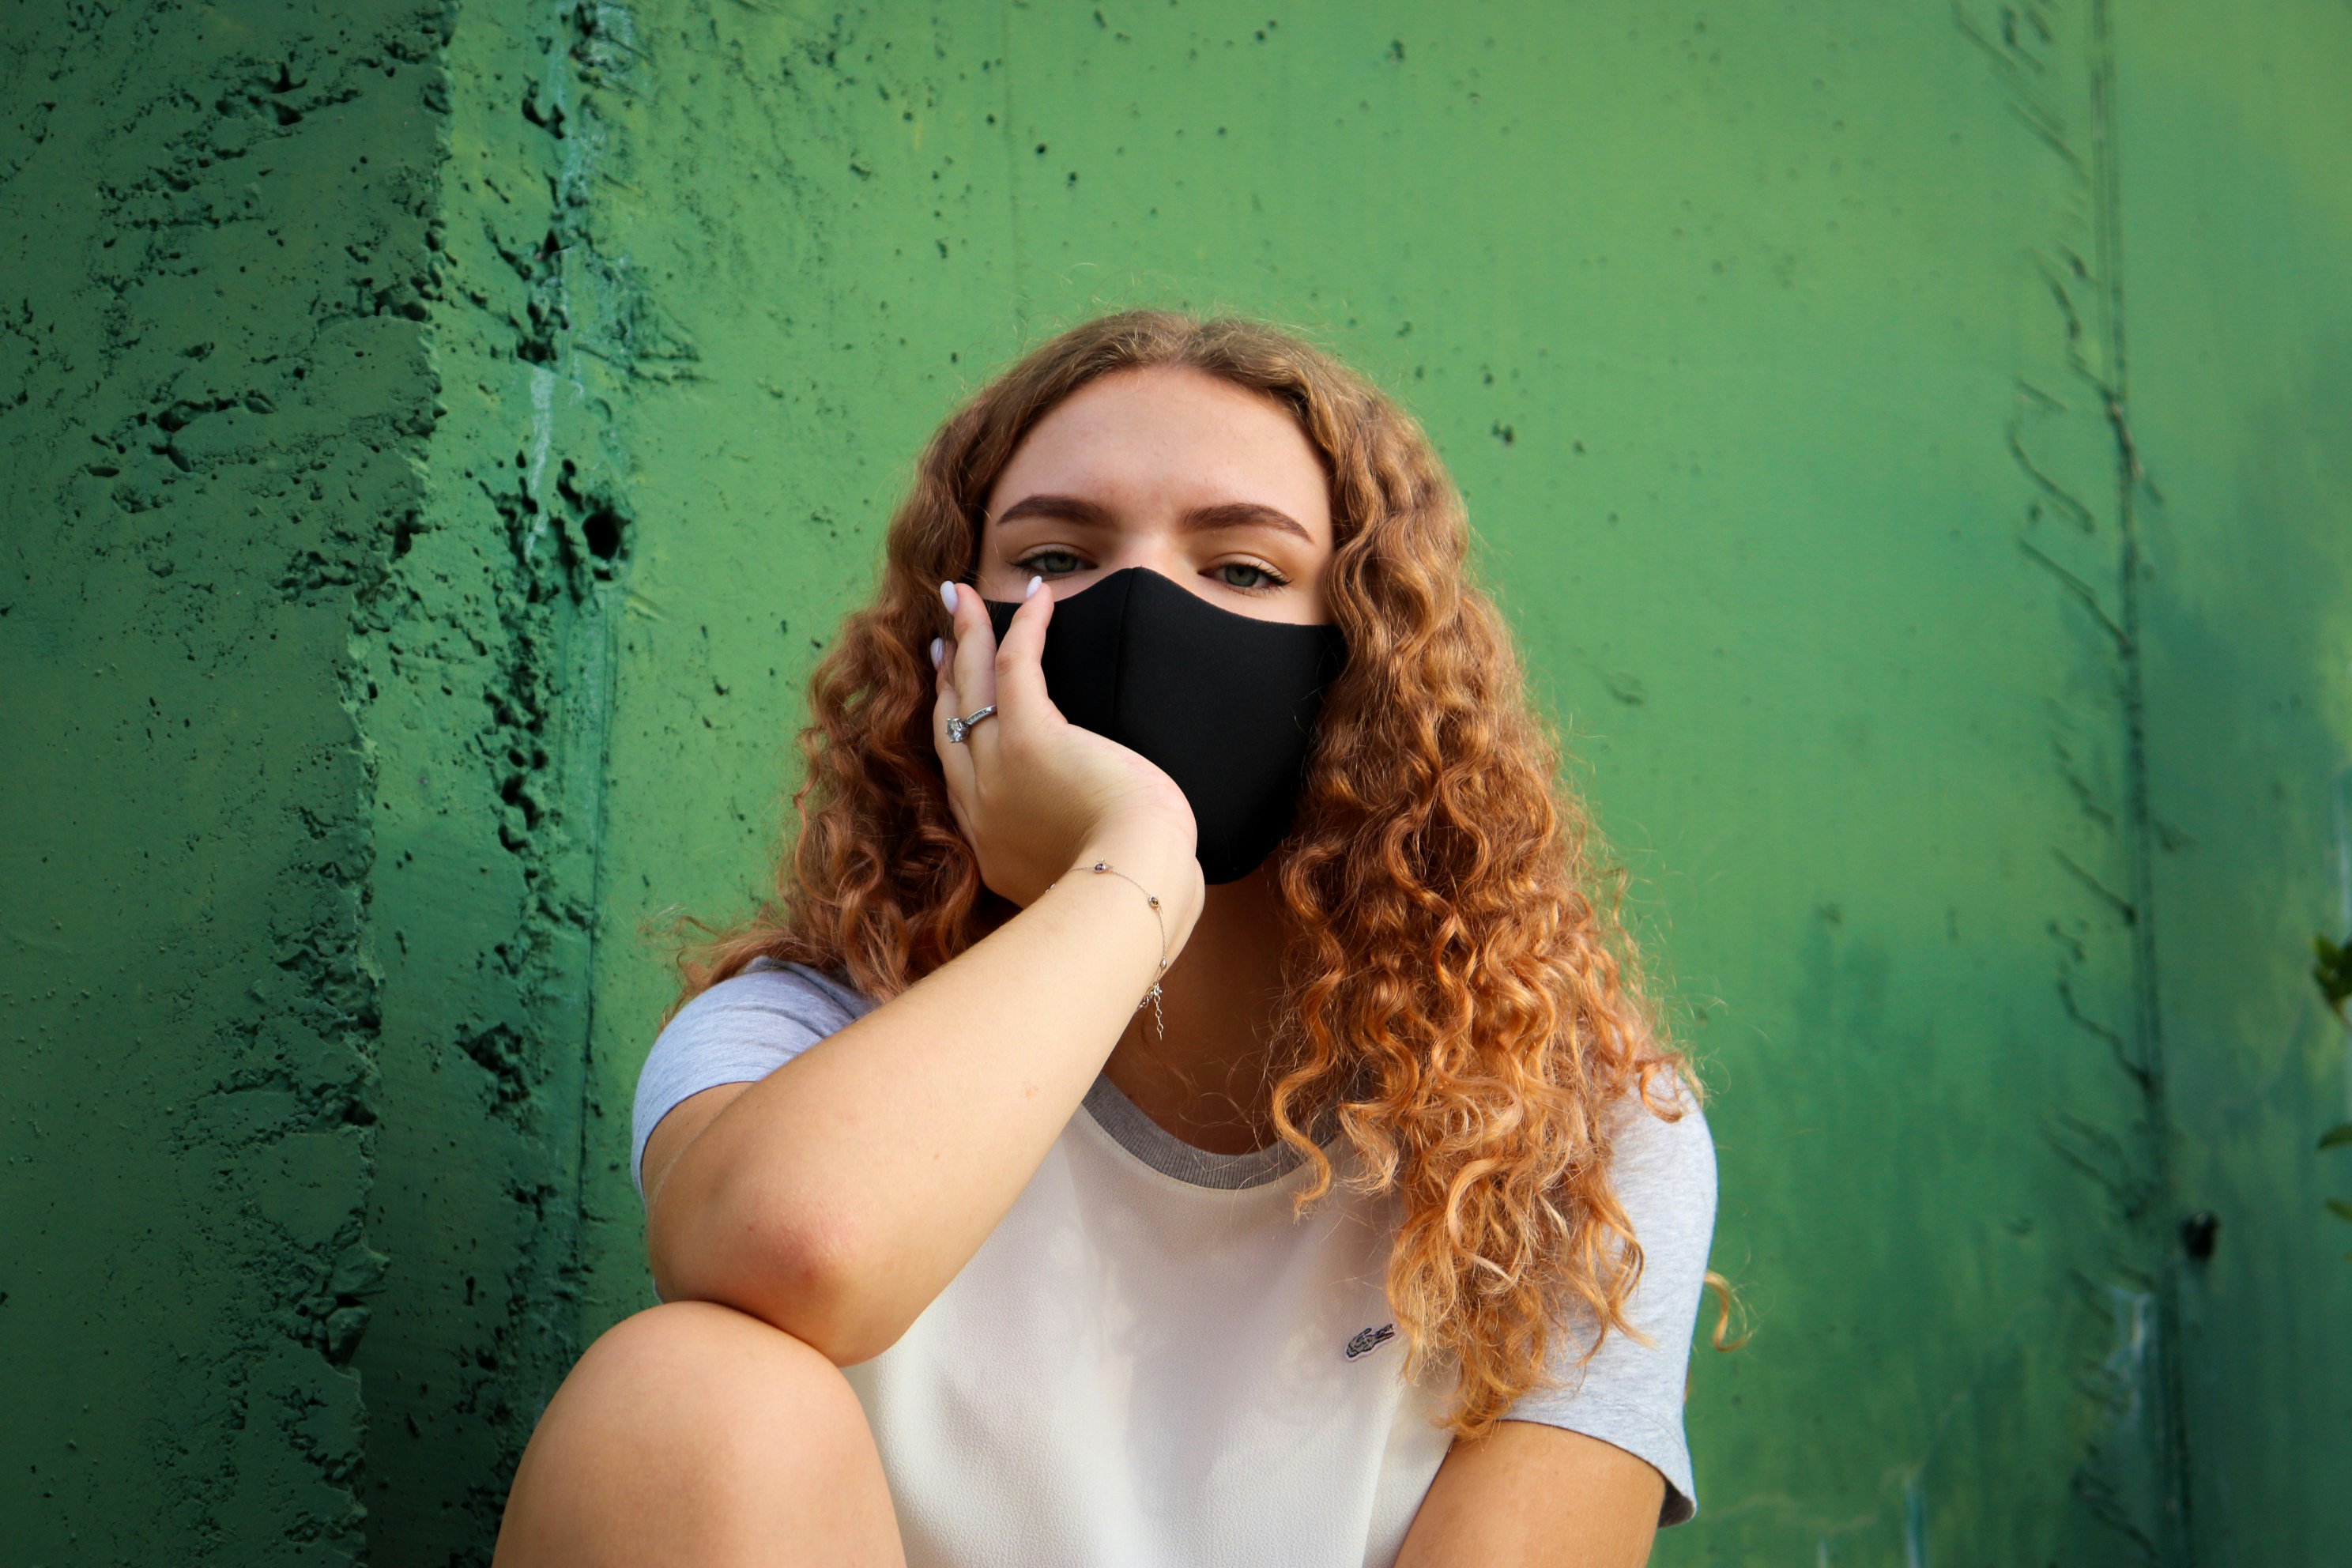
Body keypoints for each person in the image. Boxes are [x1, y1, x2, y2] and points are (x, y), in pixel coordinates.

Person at [492, 311, 1724, 1568]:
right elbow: (796, 1255)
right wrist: (1132, 865)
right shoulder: (797, 1035)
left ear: (1366, 668)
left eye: (1243, 569)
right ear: (954, 640)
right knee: (686, 1392)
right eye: (1056, 557)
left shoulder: (1574, 1129)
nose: (1138, 607)